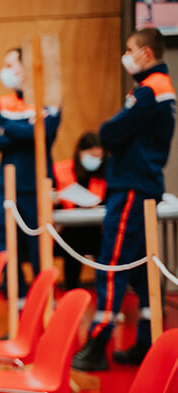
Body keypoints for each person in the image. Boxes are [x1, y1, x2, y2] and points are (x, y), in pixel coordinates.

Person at [72, 27, 175, 370]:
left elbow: (109, 132)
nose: (127, 55)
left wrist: (111, 133)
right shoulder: (163, 89)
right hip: (144, 185)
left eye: (130, 49)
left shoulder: (148, 91)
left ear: (146, 52)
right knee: (142, 270)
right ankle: (147, 341)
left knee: (113, 264)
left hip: (130, 187)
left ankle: (97, 343)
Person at [0, 46, 61, 297]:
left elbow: (44, 134)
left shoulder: (49, 100)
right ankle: (17, 308)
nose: (5, 71)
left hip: (35, 189)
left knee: (39, 251)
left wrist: (9, 128)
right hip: (6, 190)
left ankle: (44, 308)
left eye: (10, 65)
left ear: (25, 68)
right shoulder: (4, 102)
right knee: (7, 251)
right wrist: (25, 131)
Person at [53, 131, 108, 290]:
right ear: (80, 151)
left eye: (99, 156)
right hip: (69, 229)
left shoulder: (104, 174)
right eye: (92, 155)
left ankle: (104, 300)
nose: (95, 160)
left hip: (96, 229)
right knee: (73, 246)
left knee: (105, 250)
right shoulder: (61, 169)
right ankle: (71, 291)